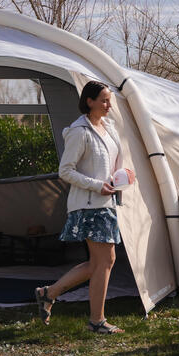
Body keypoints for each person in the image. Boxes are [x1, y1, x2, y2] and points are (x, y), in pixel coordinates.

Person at [35, 80, 136, 334]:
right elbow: (65, 171)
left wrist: (122, 175)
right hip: (90, 205)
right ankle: (96, 321)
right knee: (105, 261)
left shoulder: (109, 128)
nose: (108, 105)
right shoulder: (79, 132)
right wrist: (96, 185)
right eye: (103, 100)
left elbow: (110, 163)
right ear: (89, 101)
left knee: (99, 263)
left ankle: (49, 293)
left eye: (109, 100)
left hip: (106, 202)